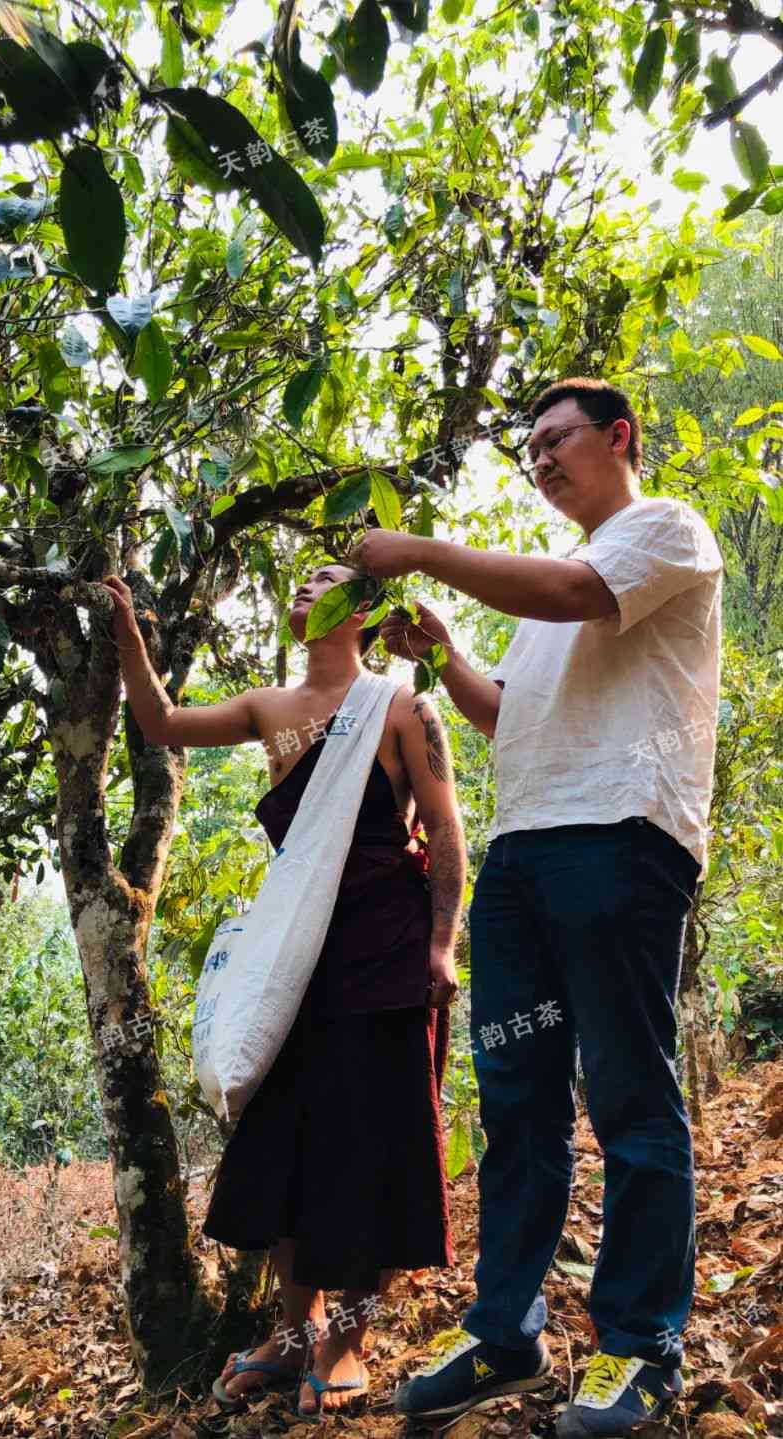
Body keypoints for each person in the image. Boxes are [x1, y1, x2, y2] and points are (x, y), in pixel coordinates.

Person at [344, 378, 723, 1439]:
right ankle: (505, 1330)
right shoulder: (558, 590)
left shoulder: (661, 533)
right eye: (531, 449)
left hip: (621, 843)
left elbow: (571, 595)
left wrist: (421, 548)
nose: (542, 458)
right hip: (522, 862)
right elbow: (506, 710)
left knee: (631, 1098)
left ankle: (640, 1342)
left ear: (620, 435)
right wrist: (447, 653)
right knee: (519, 1101)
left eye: (556, 439)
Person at [97, 560, 467, 1421]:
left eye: (328, 582)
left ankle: (348, 1343)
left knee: (380, 1142)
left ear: (365, 611)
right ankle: (292, 1332)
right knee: (291, 1136)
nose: (303, 590)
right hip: (298, 952)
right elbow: (158, 723)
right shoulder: (270, 708)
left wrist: (443, 944)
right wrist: (127, 632)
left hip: (387, 944)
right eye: (296, 582)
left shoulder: (405, 708)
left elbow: (446, 829)